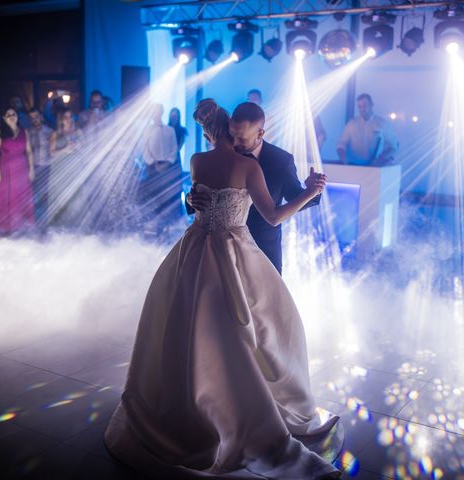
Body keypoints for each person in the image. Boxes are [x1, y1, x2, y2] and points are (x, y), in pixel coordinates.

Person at [105, 98, 341, 479]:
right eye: (235, 135)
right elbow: (268, 213)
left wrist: (306, 191)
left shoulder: (236, 160)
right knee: (231, 333)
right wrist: (313, 191)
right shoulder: (244, 164)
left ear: (257, 132)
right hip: (235, 250)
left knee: (235, 328)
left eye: (245, 136)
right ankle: (233, 405)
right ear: (228, 129)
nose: (240, 140)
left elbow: (211, 198)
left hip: (214, 251)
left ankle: (224, 398)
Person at [189, 102, 323, 274]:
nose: (235, 143)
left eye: (242, 139)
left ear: (260, 133)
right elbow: (211, 194)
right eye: (232, 135)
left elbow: (293, 198)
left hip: (263, 249)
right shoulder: (225, 154)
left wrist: (312, 190)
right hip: (219, 250)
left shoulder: (281, 161)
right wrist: (190, 199)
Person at [0, 107, 35, 233]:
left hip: (22, 167)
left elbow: (29, 151)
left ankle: (22, 225)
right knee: (6, 196)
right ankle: (6, 226)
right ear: (4, 118)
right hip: (6, 168)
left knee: (22, 195)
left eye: (13, 114)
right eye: (8, 114)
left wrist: (31, 169)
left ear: (17, 116)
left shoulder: (24, 132)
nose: (11, 116)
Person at [336, 93, 398, 166]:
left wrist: (381, 159)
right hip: (353, 167)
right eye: (359, 106)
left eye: (365, 105)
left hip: (374, 169)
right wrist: (344, 161)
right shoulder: (352, 124)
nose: (362, 109)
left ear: (371, 104)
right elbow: (340, 145)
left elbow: (393, 146)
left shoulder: (382, 124)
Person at [27, 108, 53, 224]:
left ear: (41, 117)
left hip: (46, 166)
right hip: (32, 167)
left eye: (36, 116)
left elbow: (53, 149)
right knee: (33, 194)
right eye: (32, 118)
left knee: (44, 194)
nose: (34, 119)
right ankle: (34, 220)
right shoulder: (28, 132)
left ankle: (44, 221)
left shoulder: (49, 131)